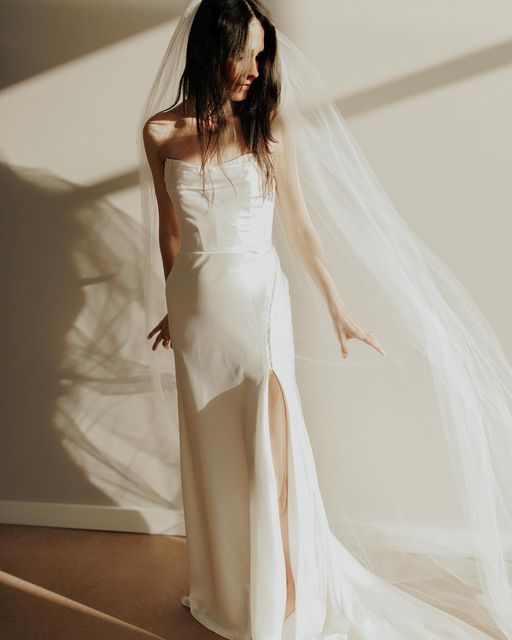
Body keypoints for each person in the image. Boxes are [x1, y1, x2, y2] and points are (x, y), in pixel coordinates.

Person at [138, 1, 512, 639]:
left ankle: (281, 602)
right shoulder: (160, 134)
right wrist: (175, 304)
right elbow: (170, 230)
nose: (257, 68)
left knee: (270, 457)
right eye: (245, 53)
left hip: (257, 305)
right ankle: (227, 592)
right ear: (211, 49)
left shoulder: (268, 128)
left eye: (262, 53)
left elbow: (300, 227)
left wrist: (337, 308)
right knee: (214, 456)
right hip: (199, 316)